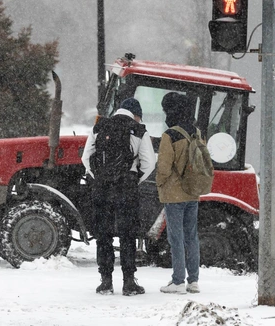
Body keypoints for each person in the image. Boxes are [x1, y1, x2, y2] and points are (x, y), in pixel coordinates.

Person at [81, 98, 156, 296]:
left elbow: (86, 157)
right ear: (136, 114)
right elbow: (149, 163)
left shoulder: (100, 126)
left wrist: (99, 177)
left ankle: (105, 282)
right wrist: (134, 179)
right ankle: (129, 282)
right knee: (127, 234)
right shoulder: (139, 130)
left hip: (102, 187)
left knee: (103, 234)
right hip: (126, 187)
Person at [156, 92, 202, 294]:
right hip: (193, 192)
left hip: (174, 195)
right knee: (191, 236)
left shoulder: (170, 135)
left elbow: (164, 168)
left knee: (176, 238)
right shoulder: (197, 133)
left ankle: (177, 281)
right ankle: (193, 281)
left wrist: (159, 183)